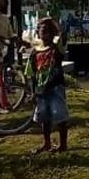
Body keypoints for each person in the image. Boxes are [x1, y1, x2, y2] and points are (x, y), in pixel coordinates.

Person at [26, 17, 69, 154]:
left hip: (56, 87)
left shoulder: (57, 49)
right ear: (38, 33)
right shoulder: (34, 52)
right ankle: (47, 143)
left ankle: (63, 145)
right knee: (44, 116)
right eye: (42, 31)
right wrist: (32, 92)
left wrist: (56, 24)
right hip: (40, 89)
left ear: (53, 33)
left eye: (48, 31)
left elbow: (64, 37)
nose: (45, 34)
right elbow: (31, 73)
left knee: (59, 114)